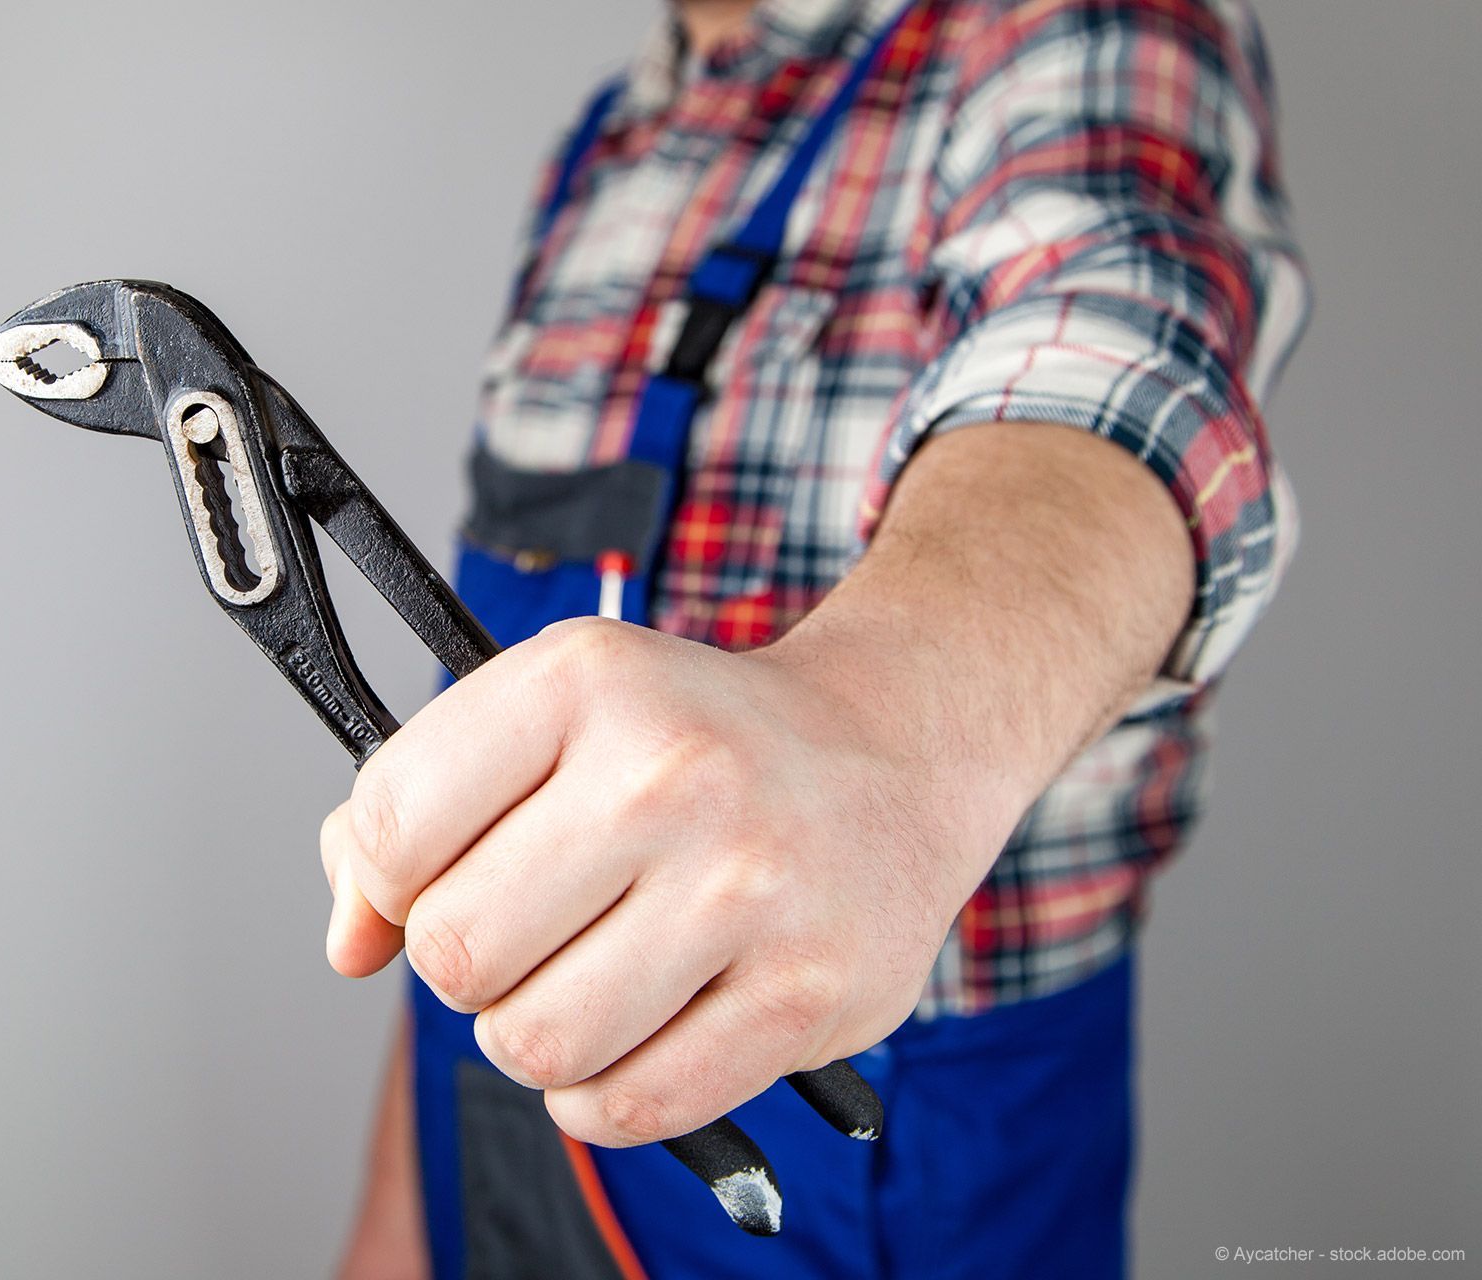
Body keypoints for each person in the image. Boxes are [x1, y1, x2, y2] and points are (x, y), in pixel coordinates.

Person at [328, 0, 1307, 1275]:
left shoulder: (1076, 31)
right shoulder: (617, 138)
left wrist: (873, 723)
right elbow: (485, 782)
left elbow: (1116, 371)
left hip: (890, 1151)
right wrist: (394, 1230)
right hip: (502, 1093)